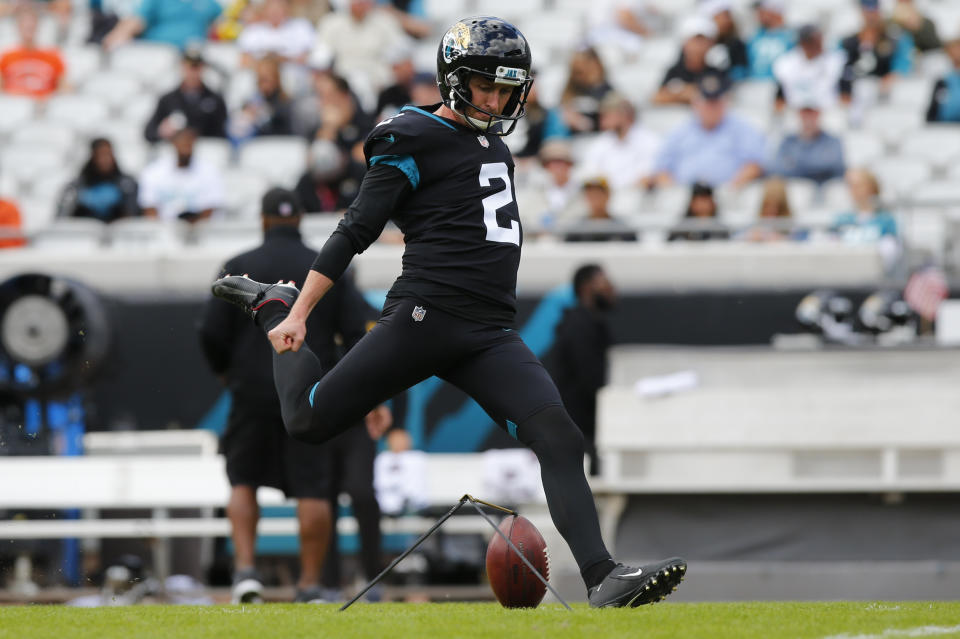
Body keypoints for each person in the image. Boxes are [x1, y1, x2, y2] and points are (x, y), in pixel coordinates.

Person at [211, 16, 686, 608]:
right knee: (308, 423)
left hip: (488, 332)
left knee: (560, 437)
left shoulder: (497, 145)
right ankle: (271, 308)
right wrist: (300, 309)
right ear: (452, 78)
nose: (495, 99)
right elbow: (356, 228)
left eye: (505, 88)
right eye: (483, 85)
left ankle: (602, 578)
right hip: (425, 316)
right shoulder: (409, 134)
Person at [199, 187, 389, 603]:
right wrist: (370, 398)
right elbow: (357, 336)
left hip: (250, 389)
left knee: (243, 480)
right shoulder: (322, 265)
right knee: (313, 487)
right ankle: (309, 584)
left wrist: (226, 373)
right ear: (300, 219)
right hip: (306, 388)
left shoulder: (239, 265)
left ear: (263, 220)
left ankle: (246, 573)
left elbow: (210, 333)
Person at [548, 264, 616, 477]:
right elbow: (592, 380)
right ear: (587, 287)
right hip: (581, 430)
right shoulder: (579, 327)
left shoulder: (590, 324)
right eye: (604, 282)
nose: (612, 289)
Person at [648, 72, 766, 188]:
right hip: (687, 198)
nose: (711, 108)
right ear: (696, 103)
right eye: (707, 102)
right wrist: (673, 192)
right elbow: (661, 168)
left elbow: (754, 165)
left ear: (725, 102)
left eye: (715, 102)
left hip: (728, 195)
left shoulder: (742, 129)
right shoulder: (680, 131)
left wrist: (731, 189)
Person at [138, 126, 225, 223]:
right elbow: (149, 207)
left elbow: (211, 207)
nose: (186, 148)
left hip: (199, 231)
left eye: (189, 143)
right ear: (173, 144)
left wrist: (192, 228)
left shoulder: (210, 171)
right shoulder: (153, 172)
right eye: (182, 143)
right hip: (164, 231)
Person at [579, 92, 660, 191]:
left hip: (635, 198)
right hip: (605, 198)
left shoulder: (649, 141)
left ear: (624, 114)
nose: (602, 121)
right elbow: (589, 172)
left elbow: (647, 176)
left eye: (607, 114)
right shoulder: (602, 142)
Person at [144, 48, 228, 143]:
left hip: (204, 154)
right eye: (189, 66)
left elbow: (222, 135)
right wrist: (161, 131)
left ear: (203, 68)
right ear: (182, 66)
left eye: (196, 66)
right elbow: (149, 133)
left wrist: (193, 135)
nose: (192, 72)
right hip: (174, 154)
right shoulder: (168, 100)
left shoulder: (215, 100)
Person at [57, 138, 139, 223]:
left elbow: (133, 217)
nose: (105, 160)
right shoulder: (76, 187)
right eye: (101, 155)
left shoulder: (128, 185)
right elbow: (63, 218)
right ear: (92, 156)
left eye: (108, 154)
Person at [768, 98, 846, 185]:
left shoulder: (833, 141)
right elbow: (777, 169)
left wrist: (794, 163)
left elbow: (837, 167)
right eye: (805, 112)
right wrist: (817, 167)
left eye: (812, 112)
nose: (808, 117)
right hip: (794, 191)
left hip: (824, 193)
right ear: (799, 114)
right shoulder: (787, 141)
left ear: (819, 113)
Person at [653, 14, 723, 106]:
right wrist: (686, 94)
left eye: (703, 41)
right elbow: (657, 97)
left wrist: (680, 92)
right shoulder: (674, 71)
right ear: (685, 43)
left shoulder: (717, 72)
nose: (698, 47)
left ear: (711, 44)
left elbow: (722, 97)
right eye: (694, 41)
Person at [772, 24, 845, 111]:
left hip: (826, 112)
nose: (819, 45)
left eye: (820, 40)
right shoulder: (785, 63)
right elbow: (780, 96)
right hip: (795, 112)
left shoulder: (836, 60)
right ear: (803, 43)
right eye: (813, 41)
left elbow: (844, 94)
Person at [0, 4, 65, 98]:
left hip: (44, 107)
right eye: (24, 23)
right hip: (14, 105)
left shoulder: (53, 56)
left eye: (31, 23)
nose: (28, 26)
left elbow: (64, 89)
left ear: (37, 25)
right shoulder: (6, 57)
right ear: (17, 26)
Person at [102, 0, 222, 51]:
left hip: (190, 59)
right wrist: (117, 35)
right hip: (158, 53)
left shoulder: (208, 3)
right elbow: (137, 20)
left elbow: (224, 20)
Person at [227, 55, 295, 145]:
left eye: (266, 79)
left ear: (276, 78)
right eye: (259, 79)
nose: (262, 84)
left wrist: (261, 115)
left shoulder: (286, 104)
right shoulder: (252, 102)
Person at [294, 140, 365, 213]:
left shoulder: (360, 173)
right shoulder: (306, 182)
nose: (327, 181)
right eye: (322, 177)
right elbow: (298, 206)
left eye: (331, 175)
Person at [564, 177, 639, 243]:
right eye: (590, 194)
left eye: (598, 194)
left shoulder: (623, 229)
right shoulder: (576, 230)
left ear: (608, 195)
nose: (595, 198)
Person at [559, 47, 615, 134]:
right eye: (575, 72)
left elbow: (610, 122)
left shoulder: (608, 91)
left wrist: (583, 123)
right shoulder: (571, 90)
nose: (578, 77)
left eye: (580, 72)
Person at [746, 0, 794, 80]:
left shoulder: (791, 36)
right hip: (756, 86)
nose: (758, 14)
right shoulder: (755, 37)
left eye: (762, 10)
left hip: (780, 86)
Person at [926, 24, 960, 123]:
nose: (956, 52)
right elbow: (931, 113)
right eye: (952, 49)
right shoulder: (942, 80)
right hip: (944, 129)